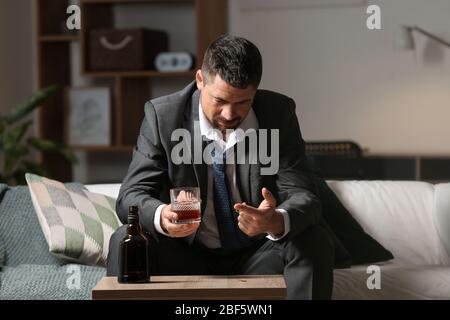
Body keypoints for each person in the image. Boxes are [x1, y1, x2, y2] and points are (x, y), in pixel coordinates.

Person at [107, 35, 335, 300]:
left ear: (255, 90)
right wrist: (163, 216)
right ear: (200, 81)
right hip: (184, 254)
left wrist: (274, 220)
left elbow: (304, 195)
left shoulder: (278, 113)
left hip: (258, 255)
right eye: (220, 100)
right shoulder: (163, 117)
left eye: (242, 103)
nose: (229, 114)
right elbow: (130, 196)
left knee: (314, 239)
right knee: (125, 237)